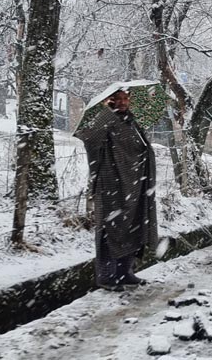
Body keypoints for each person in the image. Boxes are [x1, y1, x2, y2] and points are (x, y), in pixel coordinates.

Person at [74, 89, 158, 291]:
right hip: (111, 184)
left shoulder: (131, 121)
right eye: (117, 99)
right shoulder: (103, 121)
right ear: (109, 101)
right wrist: (105, 113)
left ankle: (124, 272)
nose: (122, 102)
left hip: (135, 184)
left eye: (125, 98)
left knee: (132, 228)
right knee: (110, 230)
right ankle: (107, 277)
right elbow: (89, 138)